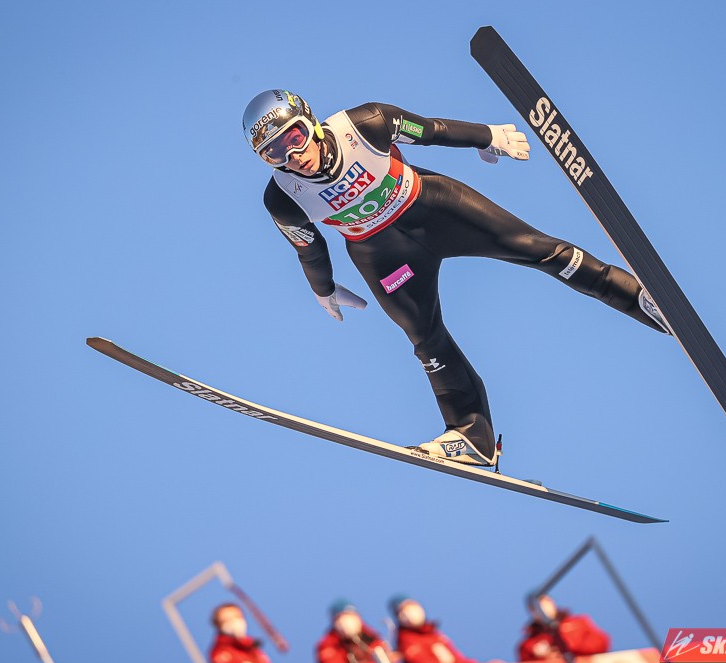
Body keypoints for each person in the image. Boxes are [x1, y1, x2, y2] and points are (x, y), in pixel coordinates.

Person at [242, 90, 669, 467]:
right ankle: (471, 435)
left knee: (538, 249)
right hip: (384, 255)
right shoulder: (282, 198)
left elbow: (432, 131)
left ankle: (641, 300)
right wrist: (323, 288)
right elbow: (309, 247)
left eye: (294, 138)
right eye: (274, 153)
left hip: (434, 209)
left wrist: (488, 136)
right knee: (425, 339)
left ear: (311, 122)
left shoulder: (366, 123)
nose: (292, 156)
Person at [389, 595, 478, 663]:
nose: (411, 612)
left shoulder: (435, 635)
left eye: (412, 606)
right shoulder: (406, 641)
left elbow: (457, 660)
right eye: (404, 610)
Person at [517, 594, 610, 662]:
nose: (541, 609)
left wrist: (569, 645)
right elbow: (525, 662)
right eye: (535, 608)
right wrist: (542, 656)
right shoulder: (529, 643)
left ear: (552, 603)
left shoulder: (579, 623)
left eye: (544, 603)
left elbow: (602, 643)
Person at [316, 599, 395, 663]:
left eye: (351, 616)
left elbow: (387, 657)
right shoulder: (328, 645)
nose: (347, 623)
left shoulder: (369, 636)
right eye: (342, 619)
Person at [209, 603, 273, 663]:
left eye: (237, 617)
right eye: (227, 620)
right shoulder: (219, 653)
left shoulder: (254, 650)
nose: (235, 622)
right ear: (219, 625)